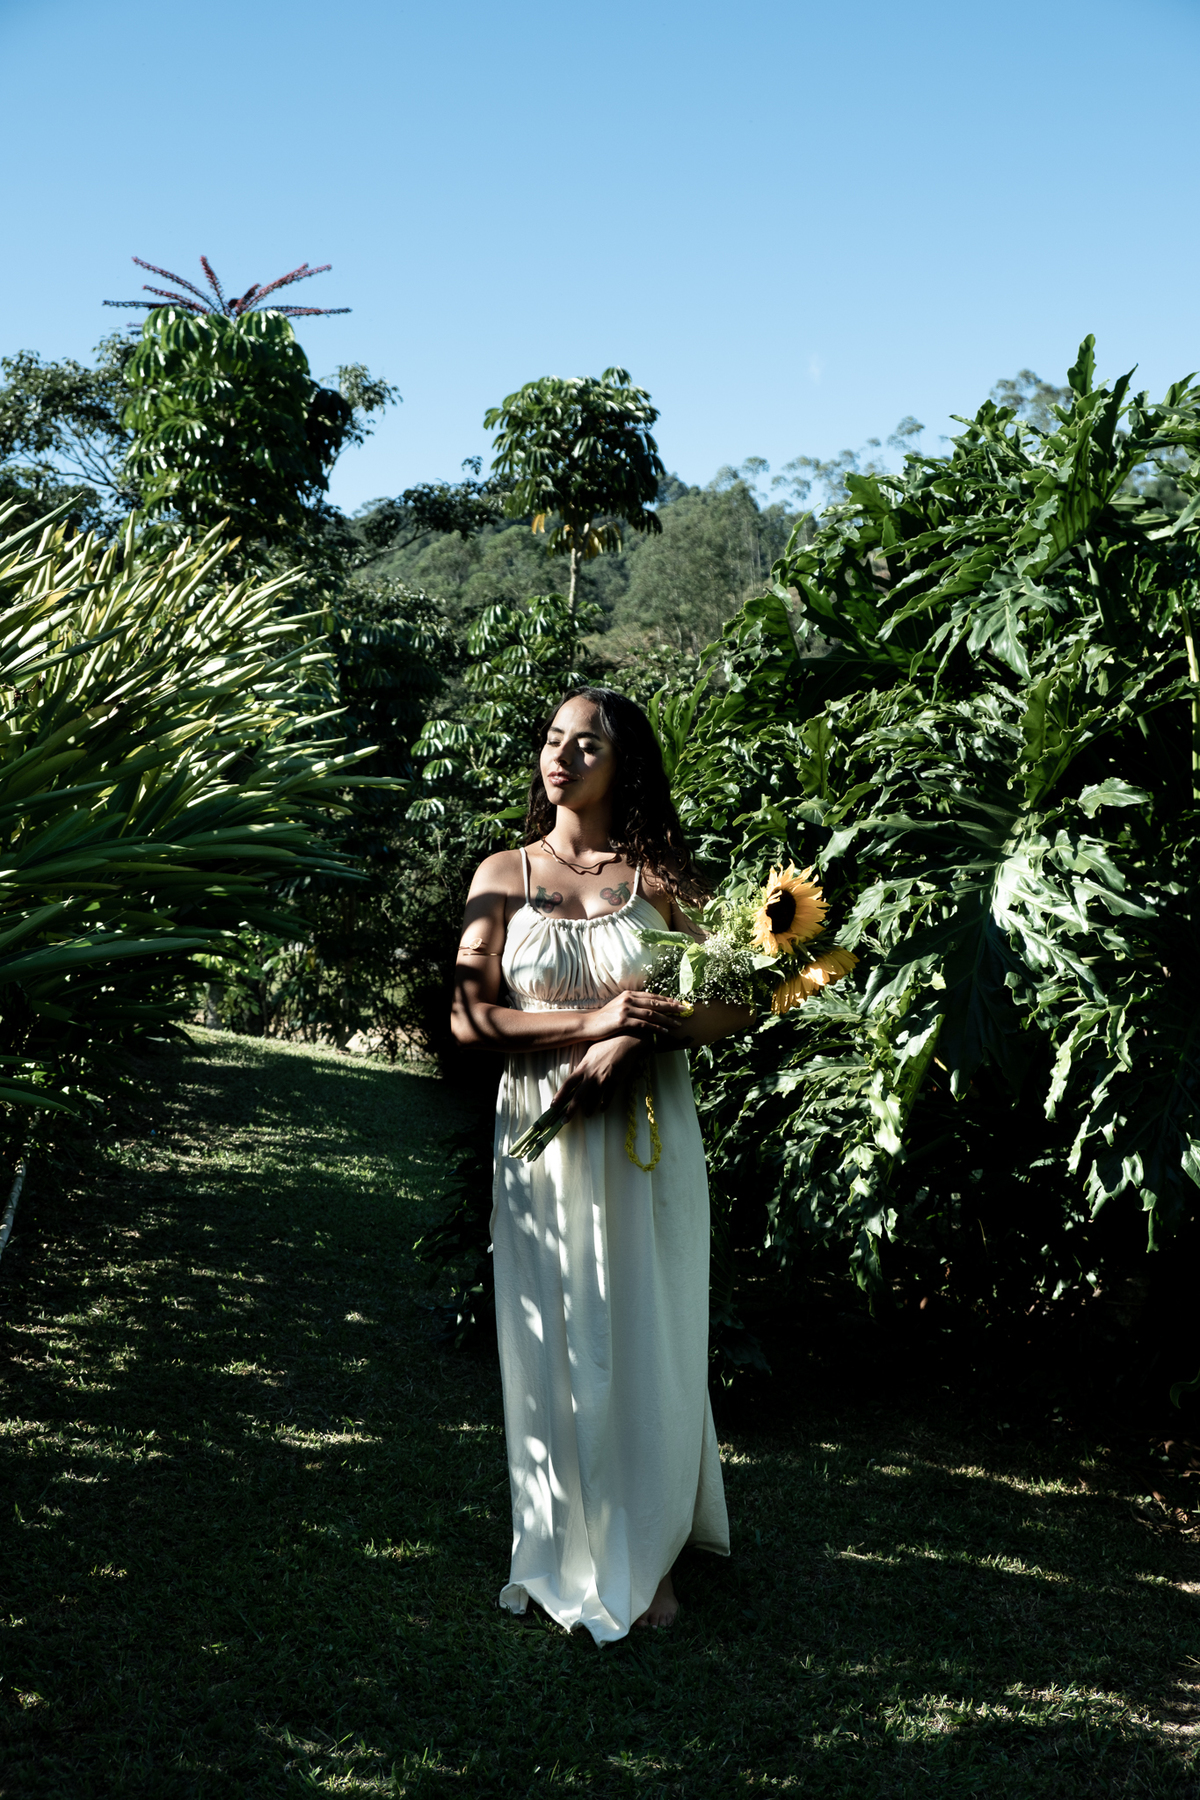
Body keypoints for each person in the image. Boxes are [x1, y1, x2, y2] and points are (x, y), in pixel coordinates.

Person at [451, 686, 754, 1642]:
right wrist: (593, 1023)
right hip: (540, 1144)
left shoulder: (662, 879)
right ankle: (562, 1548)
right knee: (552, 1336)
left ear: (626, 766)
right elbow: (470, 1018)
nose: (564, 757)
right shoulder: (503, 872)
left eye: (589, 745)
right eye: (552, 740)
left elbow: (735, 1000)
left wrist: (638, 1041)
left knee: (645, 1335)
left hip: (645, 1142)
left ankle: (650, 1554)